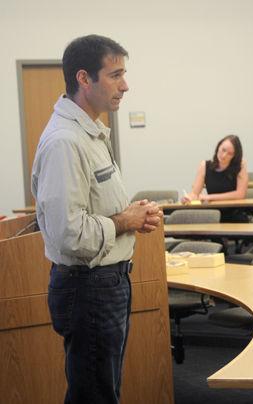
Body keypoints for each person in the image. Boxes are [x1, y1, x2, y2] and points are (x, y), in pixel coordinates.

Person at [31, 35, 163, 403]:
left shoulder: (87, 133)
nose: (125, 85)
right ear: (84, 78)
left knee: (99, 390)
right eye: (115, 74)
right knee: (95, 395)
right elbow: (69, 233)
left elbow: (93, 209)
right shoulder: (65, 142)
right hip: (89, 286)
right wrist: (126, 221)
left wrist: (132, 215)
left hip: (104, 283)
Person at [182, 134, 249, 222]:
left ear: (234, 156)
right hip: (212, 213)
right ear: (218, 146)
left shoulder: (240, 166)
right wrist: (188, 198)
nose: (224, 155)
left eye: (230, 153)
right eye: (223, 150)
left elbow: (240, 194)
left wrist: (210, 197)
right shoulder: (204, 165)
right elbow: (195, 194)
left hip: (234, 213)